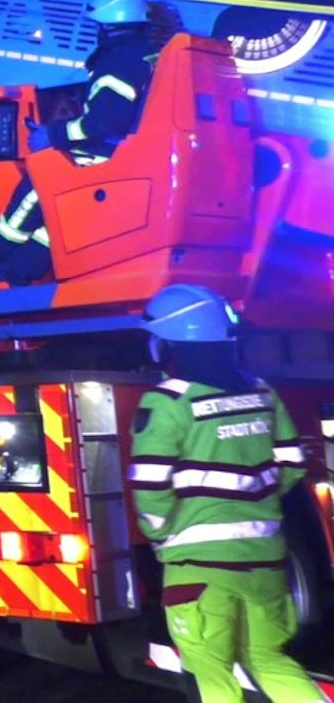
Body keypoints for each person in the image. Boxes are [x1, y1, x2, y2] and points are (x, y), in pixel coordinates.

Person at [127, 284, 319, 702]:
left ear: (168, 344)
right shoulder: (261, 392)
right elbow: (291, 464)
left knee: (212, 675)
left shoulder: (166, 403)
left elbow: (150, 486)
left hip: (198, 567)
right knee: (270, 660)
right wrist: (257, 504)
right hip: (265, 559)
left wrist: (162, 535)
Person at [0, 0, 157, 285]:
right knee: (64, 216)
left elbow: (106, 123)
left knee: (42, 181)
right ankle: (21, 269)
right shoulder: (149, 56)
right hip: (137, 157)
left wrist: (52, 135)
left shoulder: (119, 61)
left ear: (107, 27)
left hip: (113, 157)